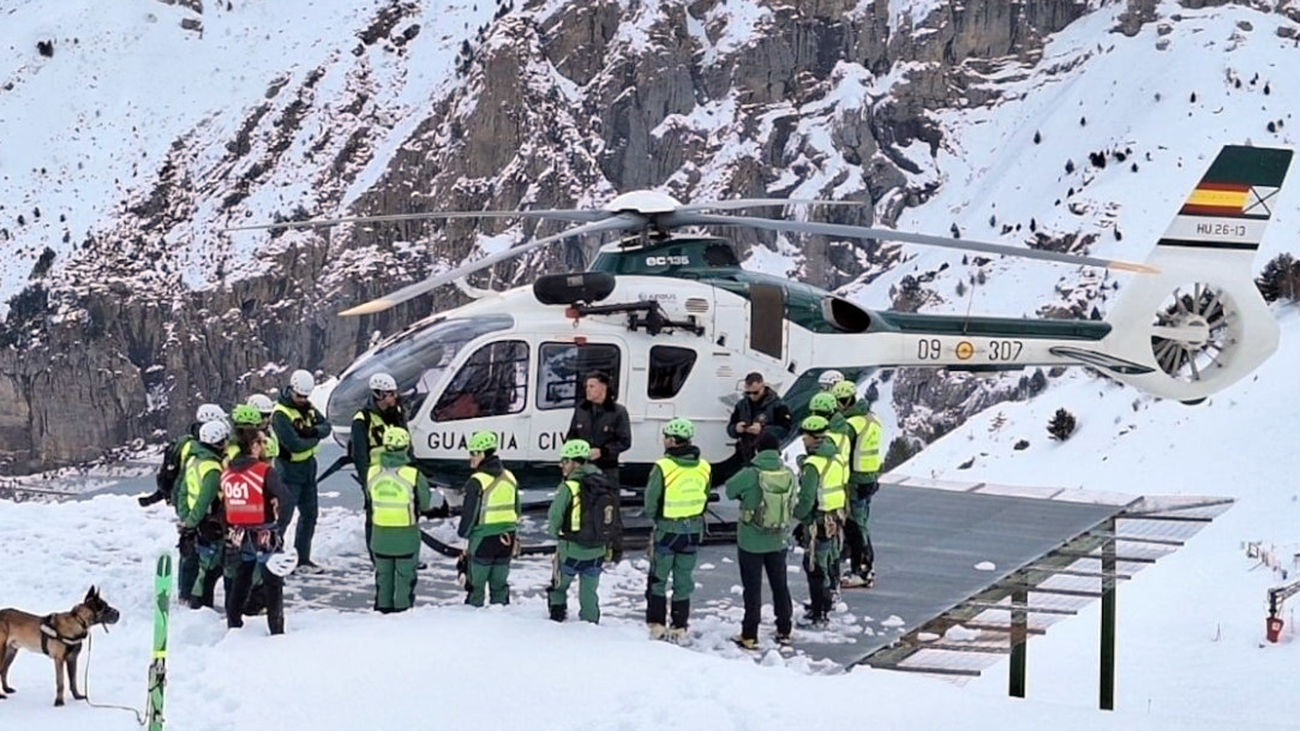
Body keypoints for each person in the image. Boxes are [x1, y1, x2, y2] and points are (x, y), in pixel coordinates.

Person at [724, 431, 796, 649]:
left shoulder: (750, 473)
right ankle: (784, 629)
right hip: (778, 538)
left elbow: (729, 490)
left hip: (751, 539)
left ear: (757, 449)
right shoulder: (788, 473)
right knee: (780, 585)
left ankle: (750, 634)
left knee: (752, 588)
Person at [642, 418, 711, 642]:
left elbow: (651, 500)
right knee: (683, 580)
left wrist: (656, 518)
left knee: (658, 578)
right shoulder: (704, 466)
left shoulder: (664, 466)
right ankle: (680, 625)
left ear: (671, 440)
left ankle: (657, 623)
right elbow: (706, 495)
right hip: (692, 530)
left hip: (667, 530)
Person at [220, 418, 290, 634]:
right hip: (264, 532)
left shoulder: (227, 473)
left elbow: (224, 506)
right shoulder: (263, 471)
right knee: (272, 582)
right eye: (260, 442)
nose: (263, 446)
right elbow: (286, 497)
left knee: (241, 578)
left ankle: (233, 623)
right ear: (252, 446)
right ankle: (276, 629)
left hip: (239, 533)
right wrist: (280, 524)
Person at [547, 439, 616, 624]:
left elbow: (555, 516)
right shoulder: (603, 483)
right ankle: (590, 623)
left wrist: (556, 536)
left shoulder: (569, 487)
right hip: (597, 550)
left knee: (559, 587)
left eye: (565, 461)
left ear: (575, 462)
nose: (562, 465)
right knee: (589, 593)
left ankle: (556, 619)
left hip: (571, 549)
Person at [565, 371, 630, 561]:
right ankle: (582, 545)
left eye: (592, 386)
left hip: (606, 469)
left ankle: (614, 550)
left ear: (603, 387)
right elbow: (571, 436)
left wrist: (603, 451)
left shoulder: (618, 412)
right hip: (582, 469)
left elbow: (625, 441)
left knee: (609, 508)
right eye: (587, 386)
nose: (588, 390)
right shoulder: (581, 410)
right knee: (581, 507)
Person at [368, 426, 433, 613]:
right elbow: (425, 504)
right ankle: (403, 613)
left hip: (379, 536)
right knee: (405, 579)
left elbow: (369, 497)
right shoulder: (413, 475)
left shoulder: (372, 473)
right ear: (406, 447)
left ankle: (382, 611)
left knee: (383, 578)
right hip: (406, 536)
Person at [272, 369, 332, 573]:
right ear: (292, 391)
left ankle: (302, 558)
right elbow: (294, 444)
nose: (302, 400)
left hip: (307, 471)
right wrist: (314, 438)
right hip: (288, 473)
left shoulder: (308, 408)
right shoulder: (281, 414)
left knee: (310, 515)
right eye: (300, 396)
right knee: (283, 519)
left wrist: (313, 432)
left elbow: (326, 426)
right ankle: (274, 558)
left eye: (306, 397)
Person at [793, 415, 848, 628]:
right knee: (829, 559)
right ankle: (827, 601)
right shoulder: (837, 458)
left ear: (812, 437)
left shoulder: (813, 465)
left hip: (818, 520)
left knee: (814, 565)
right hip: (835, 516)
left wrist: (799, 516)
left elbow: (807, 498)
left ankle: (820, 610)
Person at [831, 379, 885, 589]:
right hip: (869, 478)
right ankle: (862, 566)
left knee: (856, 526)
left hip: (855, 480)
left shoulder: (853, 424)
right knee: (859, 524)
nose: (839, 405)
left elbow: (840, 446)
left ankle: (862, 570)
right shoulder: (871, 418)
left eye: (841, 401)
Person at [456, 431, 519, 607]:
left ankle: (473, 623)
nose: (471, 458)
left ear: (483, 454)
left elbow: (470, 514)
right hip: (507, 537)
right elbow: (517, 508)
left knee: (476, 584)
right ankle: (501, 618)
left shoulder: (476, 481)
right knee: (499, 583)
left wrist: (463, 536)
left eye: (474, 453)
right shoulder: (509, 477)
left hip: (483, 538)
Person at [351, 373, 407, 562]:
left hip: (398, 473)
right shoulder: (362, 419)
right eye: (390, 394)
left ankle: (399, 552)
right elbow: (359, 454)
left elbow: (406, 441)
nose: (394, 397)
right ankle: (376, 556)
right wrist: (365, 479)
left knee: (400, 514)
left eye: (394, 393)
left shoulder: (397, 413)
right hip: (375, 474)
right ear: (378, 395)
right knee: (374, 517)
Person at [180, 420, 231, 610]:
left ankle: (194, 599)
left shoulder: (194, 460)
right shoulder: (212, 469)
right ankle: (200, 603)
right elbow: (205, 499)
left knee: (202, 562)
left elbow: (184, 491)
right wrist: (193, 522)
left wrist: (186, 519)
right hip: (209, 522)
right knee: (209, 566)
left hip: (195, 520)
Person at [140, 403, 226, 508]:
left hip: (188, 501)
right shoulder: (197, 448)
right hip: (198, 505)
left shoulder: (187, 442)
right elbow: (183, 478)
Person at [726, 372, 793, 465]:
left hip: (766, 455)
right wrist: (736, 429)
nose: (752, 396)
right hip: (744, 453)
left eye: (755, 392)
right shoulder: (741, 405)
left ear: (763, 386)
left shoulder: (778, 404)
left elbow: (786, 429)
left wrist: (762, 429)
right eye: (748, 393)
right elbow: (730, 428)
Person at [247, 394, 280, 462]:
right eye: (262, 415)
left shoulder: (273, 431)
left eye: (268, 415)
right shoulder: (245, 437)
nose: (265, 419)